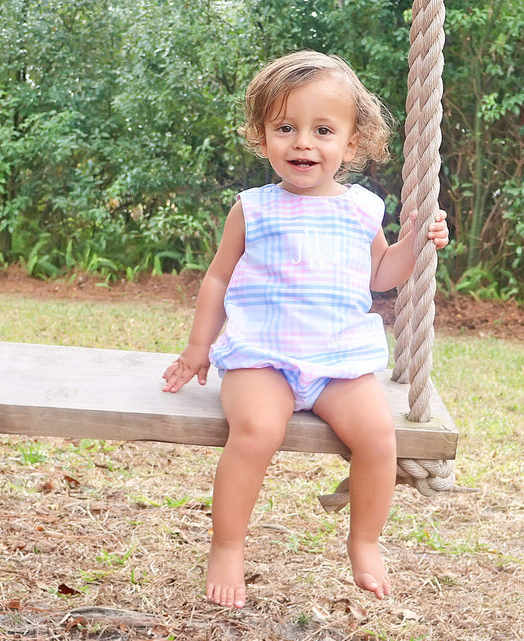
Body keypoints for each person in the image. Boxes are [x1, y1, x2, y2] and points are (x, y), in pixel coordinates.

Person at [162, 50, 449, 609]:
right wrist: (199, 348)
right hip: (262, 358)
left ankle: (364, 542)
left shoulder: (361, 209)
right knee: (256, 432)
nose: (303, 143)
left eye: (322, 130)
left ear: (352, 143)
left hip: (338, 363)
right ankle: (227, 546)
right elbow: (218, 277)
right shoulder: (253, 208)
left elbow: (382, 275)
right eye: (285, 128)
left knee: (378, 436)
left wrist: (415, 242)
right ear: (262, 135)